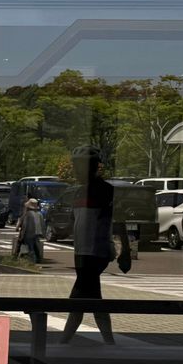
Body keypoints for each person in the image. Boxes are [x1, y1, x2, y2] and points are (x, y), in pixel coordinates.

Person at [61, 145, 128, 344]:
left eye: (80, 165)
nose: (76, 170)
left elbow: (119, 221)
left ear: (93, 166)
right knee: (90, 297)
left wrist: (125, 250)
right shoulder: (78, 192)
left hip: (96, 252)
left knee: (78, 297)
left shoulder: (105, 190)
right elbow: (75, 222)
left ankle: (64, 341)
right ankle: (108, 341)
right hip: (81, 251)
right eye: (75, 165)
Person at [17, 197, 45, 264]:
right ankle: (38, 259)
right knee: (35, 246)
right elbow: (43, 224)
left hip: (29, 233)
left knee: (30, 247)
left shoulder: (27, 214)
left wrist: (20, 232)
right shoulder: (40, 214)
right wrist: (43, 233)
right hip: (38, 233)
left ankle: (31, 260)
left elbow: (23, 224)